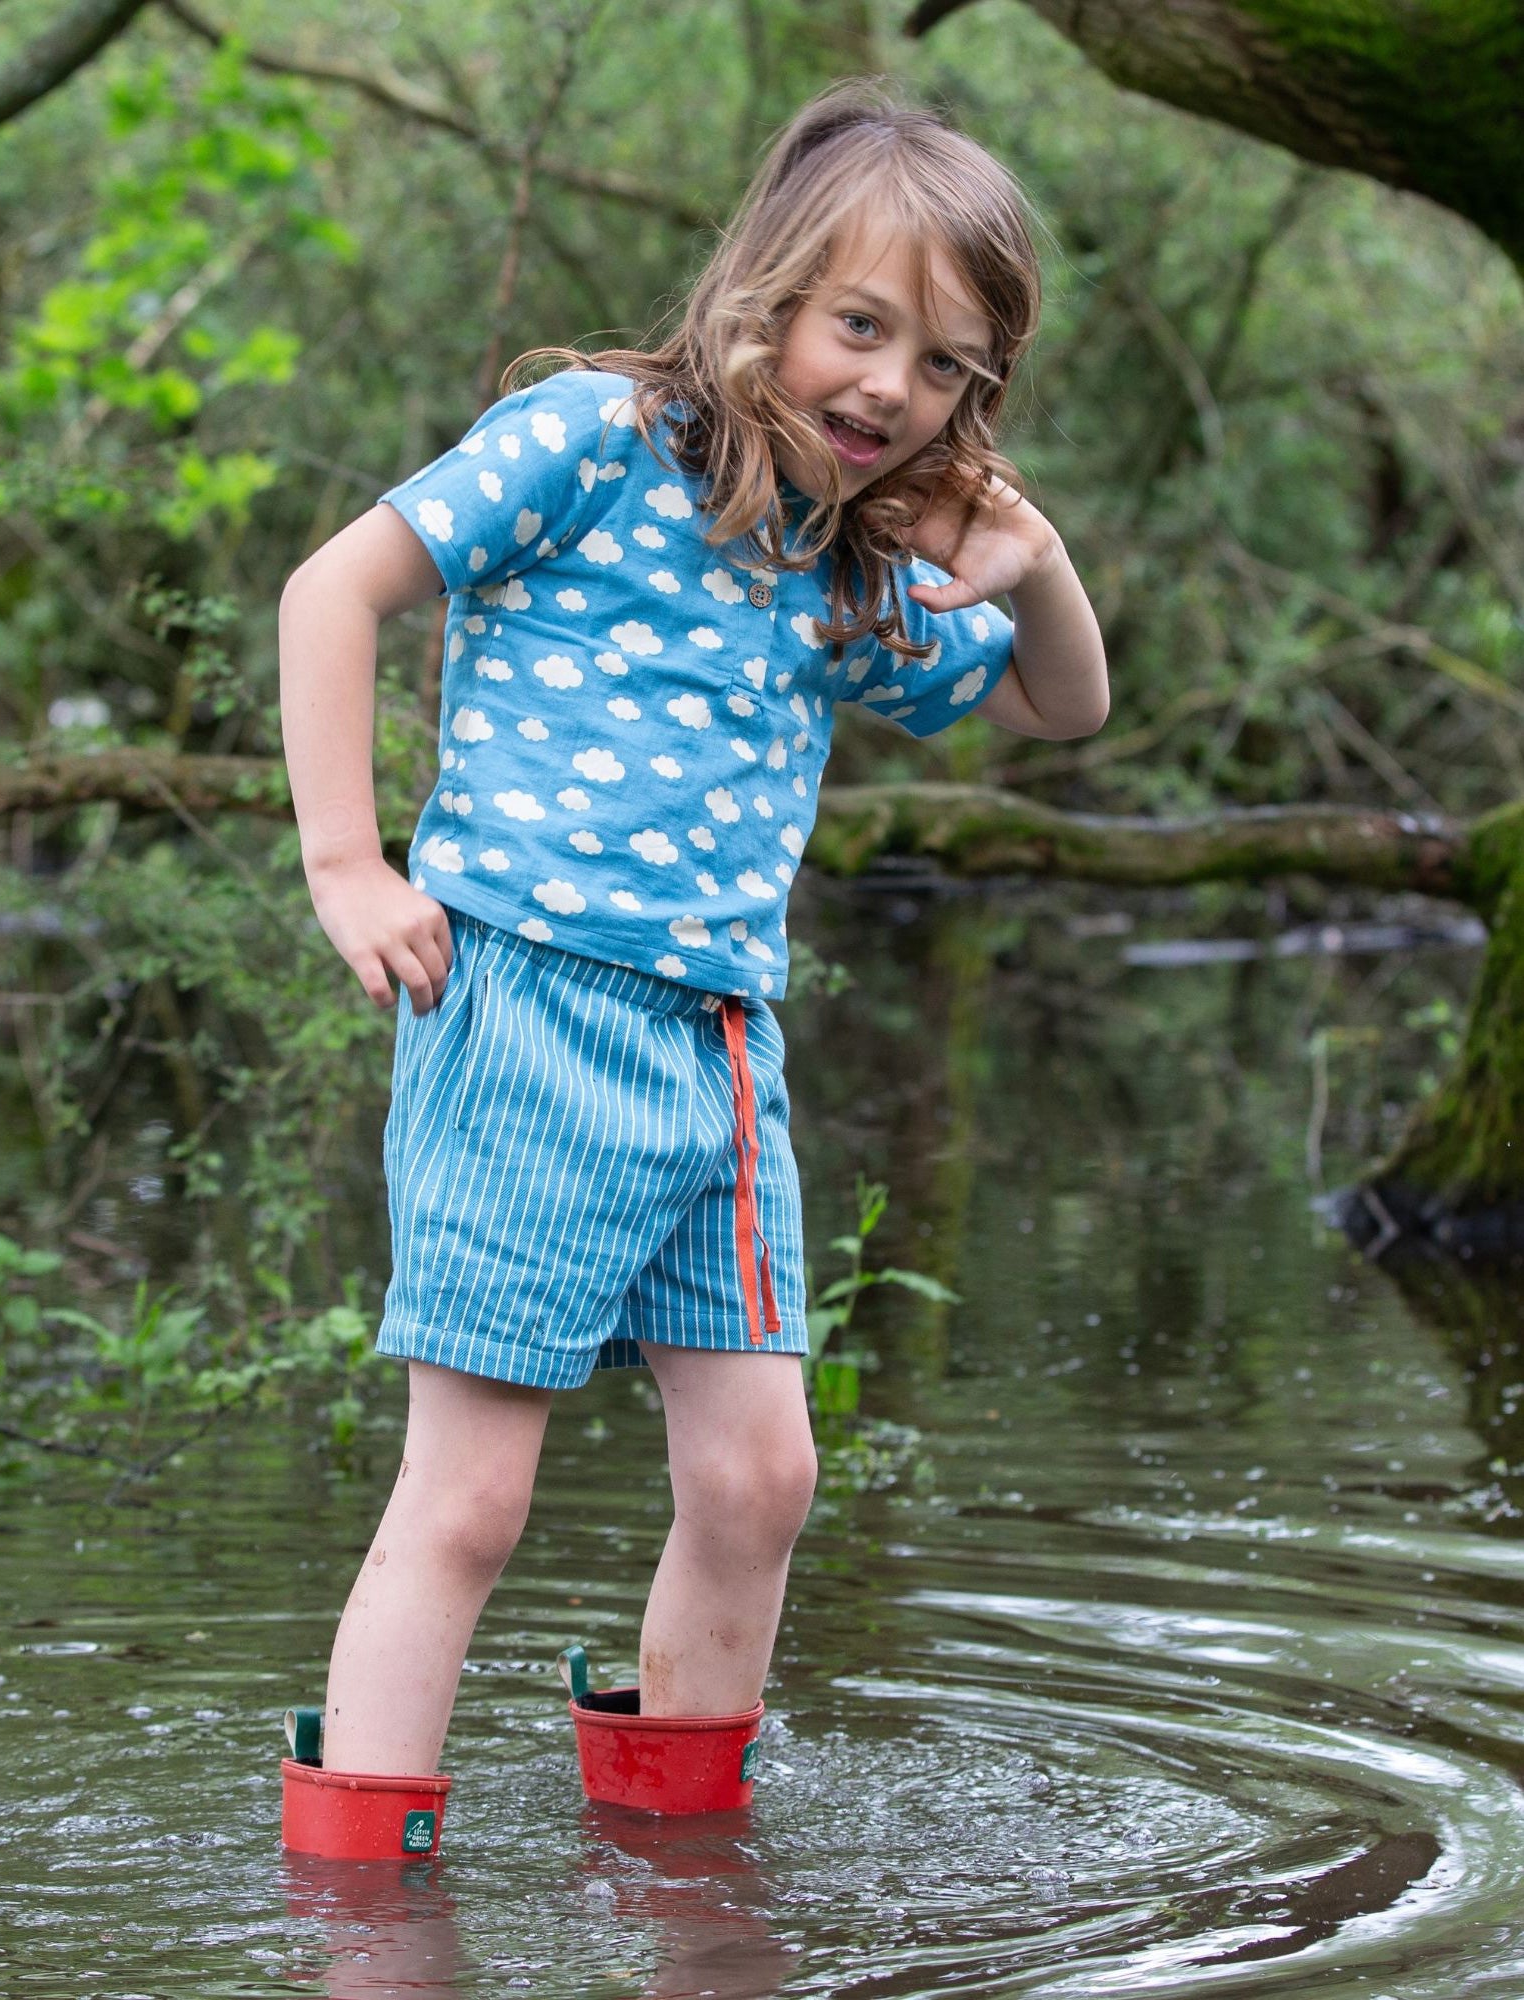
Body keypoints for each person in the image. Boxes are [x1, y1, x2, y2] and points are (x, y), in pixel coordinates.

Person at [277, 78, 1108, 1825]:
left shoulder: (842, 557)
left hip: (721, 1055)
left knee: (759, 1481)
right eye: (862, 328)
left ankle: (679, 1863)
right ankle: (357, 1900)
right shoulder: (589, 438)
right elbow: (331, 589)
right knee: (471, 1498)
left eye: (948, 365)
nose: (893, 387)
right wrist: (351, 863)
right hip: (522, 1009)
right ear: (770, 299)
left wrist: (1033, 559)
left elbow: (1061, 705)